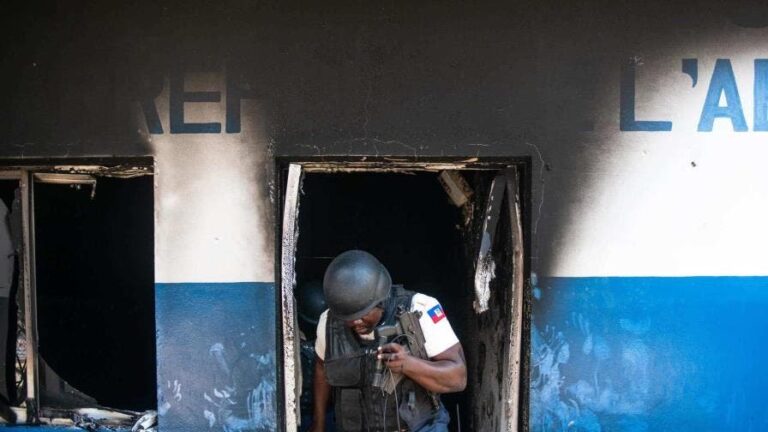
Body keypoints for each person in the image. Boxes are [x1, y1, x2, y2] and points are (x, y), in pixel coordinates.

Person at [311, 250, 466, 432]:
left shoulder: (421, 309)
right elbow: (322, 368)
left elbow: (458, 377)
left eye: (362, 314)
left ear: (381, 300)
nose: (355, 322)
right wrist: (319, 423)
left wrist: (408, 365)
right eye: (349, 316)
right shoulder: (328, 322)